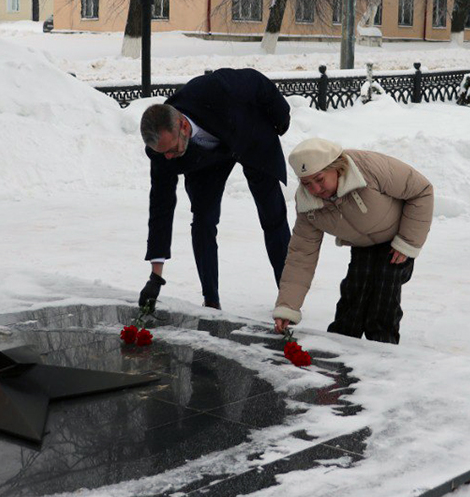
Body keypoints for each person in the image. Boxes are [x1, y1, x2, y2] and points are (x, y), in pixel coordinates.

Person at [139, 68, 292, 310]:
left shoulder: (217, 89)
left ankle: (288, 297)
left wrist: (281, 119)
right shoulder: (162, 151)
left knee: (272, 215)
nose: (168, 157)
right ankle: (211, 300)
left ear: (183, 126)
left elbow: (256, 81)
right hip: (205, 160)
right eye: (163, 153)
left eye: (171, 149)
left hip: (248, 137)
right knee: (203, 220)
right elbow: (161, 206)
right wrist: (155, 277)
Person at [271, 138, 433, 344]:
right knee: (354, 294)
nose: (315, 189)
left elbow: (421, 190)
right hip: (362, 244)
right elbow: (301, 255)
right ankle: (341, 347)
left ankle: (383, 348)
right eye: (306, 183)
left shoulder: (369, 167)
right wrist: (288, 307)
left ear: (336, 167)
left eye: (320, 179)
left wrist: (407, 242)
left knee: (384, 290)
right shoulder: (308, 204)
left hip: (397, 237)